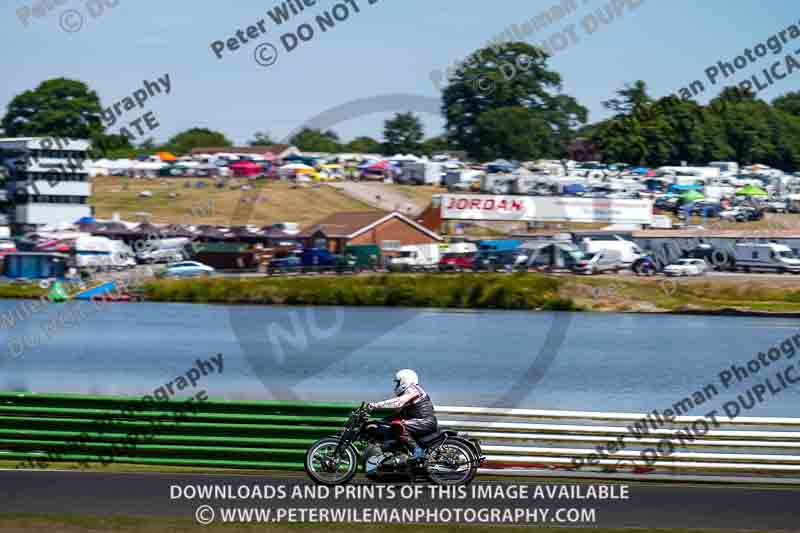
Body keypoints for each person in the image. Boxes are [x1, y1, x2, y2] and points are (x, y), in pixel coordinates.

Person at [368, 369, 437, 462]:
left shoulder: (413, 390)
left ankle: (418, 451)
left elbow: (397, 403)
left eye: (398, 383)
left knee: (398, 425)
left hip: (424, 422)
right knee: (388, 422)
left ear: (405, 380)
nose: (397, 386)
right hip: (420, 421)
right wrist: (383, 420)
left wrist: (375, 405)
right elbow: (400, 413)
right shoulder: (410, 391)